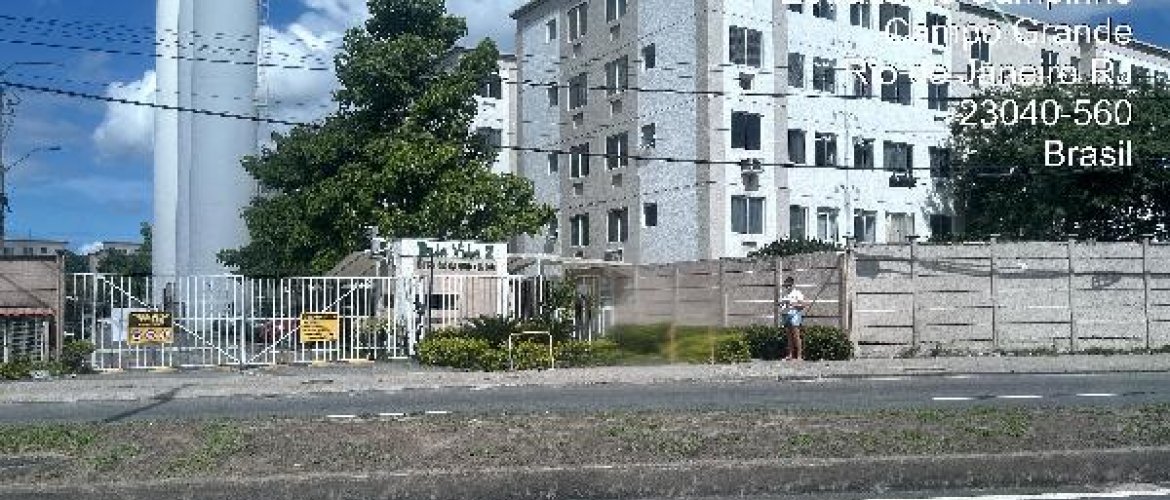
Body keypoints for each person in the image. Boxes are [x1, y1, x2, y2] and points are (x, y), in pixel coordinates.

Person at [779, 276, 806, 360]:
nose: (787, 287)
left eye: (789, 285)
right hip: (786, 314)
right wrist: (781, 304)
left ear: (792, 284)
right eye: (786, 285)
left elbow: (803, 305)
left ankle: (799, 356)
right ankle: (790, 354)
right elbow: (781, 305)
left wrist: (792, 304)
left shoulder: (797, 293)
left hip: (795, 314)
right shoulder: (785, 294)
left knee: (796, 335)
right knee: (789, 337)